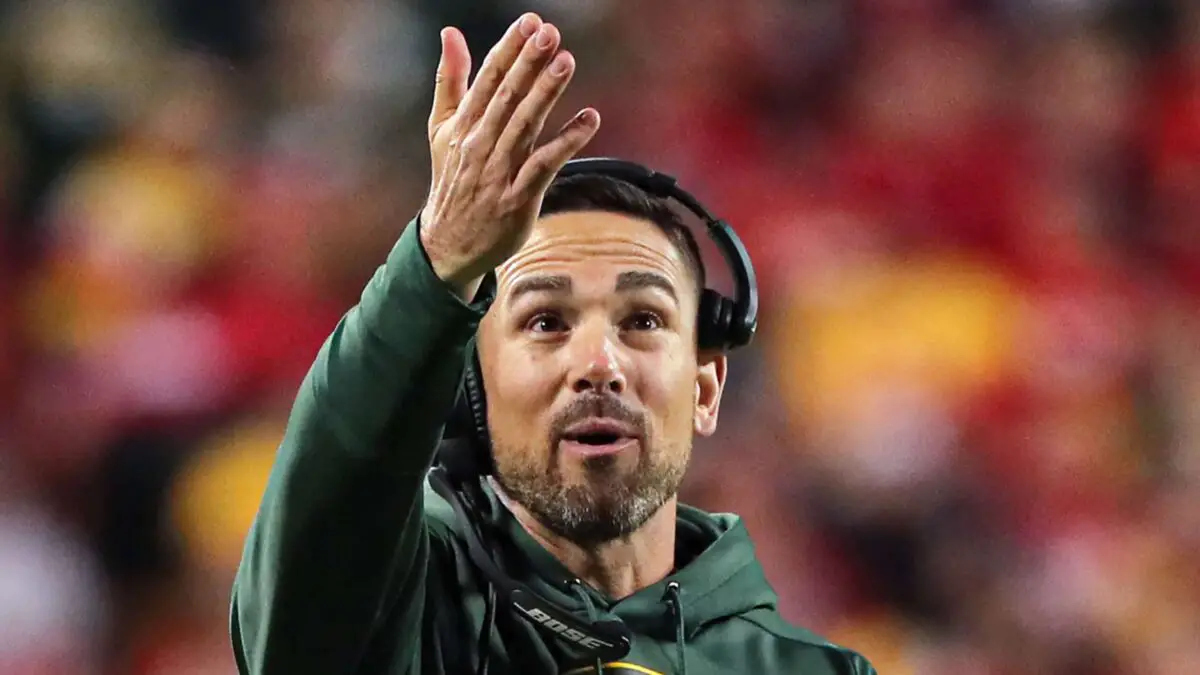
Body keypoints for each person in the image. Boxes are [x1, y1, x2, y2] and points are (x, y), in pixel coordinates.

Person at [230, 12, 877, 675]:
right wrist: (437, 264)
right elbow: (311, 575)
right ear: (474, 392)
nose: (598, 363)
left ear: (706, 389)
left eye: (643, 321)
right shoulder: (404, 627)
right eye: (546, 321)